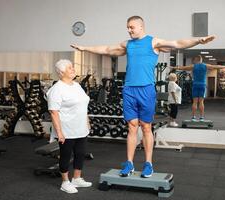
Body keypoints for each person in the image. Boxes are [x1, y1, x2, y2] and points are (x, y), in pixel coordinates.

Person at [71, 15, 215, 178]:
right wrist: (85, 48)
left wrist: (199, 40)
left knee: (146, 127)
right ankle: (130, 163)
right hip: (129, 90)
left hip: (146, 90)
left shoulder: (153, 42)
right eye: (127, 27)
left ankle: (148, 164)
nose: (129, 30)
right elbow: (106, 49)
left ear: (141, 26)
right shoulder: (127, 44)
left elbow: (177, 43)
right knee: (132, 126)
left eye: (131, 27)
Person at [46, 59, 92, 193]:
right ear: (61, 72)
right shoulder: (57, 89)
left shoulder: (77, 86)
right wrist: (59, 132)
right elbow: (54, 112)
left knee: (80, 154)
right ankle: (65, 182)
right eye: (70, 68)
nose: (73, 69)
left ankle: (76, 179)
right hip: (66, 129)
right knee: (65, 156)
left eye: (73, 67)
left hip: (81, 128)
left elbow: (84, 105)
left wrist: (87, 121)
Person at [171, 55, 225, 122]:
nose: (193, 61)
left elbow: (183, 68)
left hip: (195, 85)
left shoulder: (193, 66)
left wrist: (174, 67)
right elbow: (216, 67)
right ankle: (201, 118)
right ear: (201, 60)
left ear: (196, 60)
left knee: (194, 102)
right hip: (202, 85)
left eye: (194, 60)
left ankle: (193, 117)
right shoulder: (205, 65)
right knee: (201, 102)